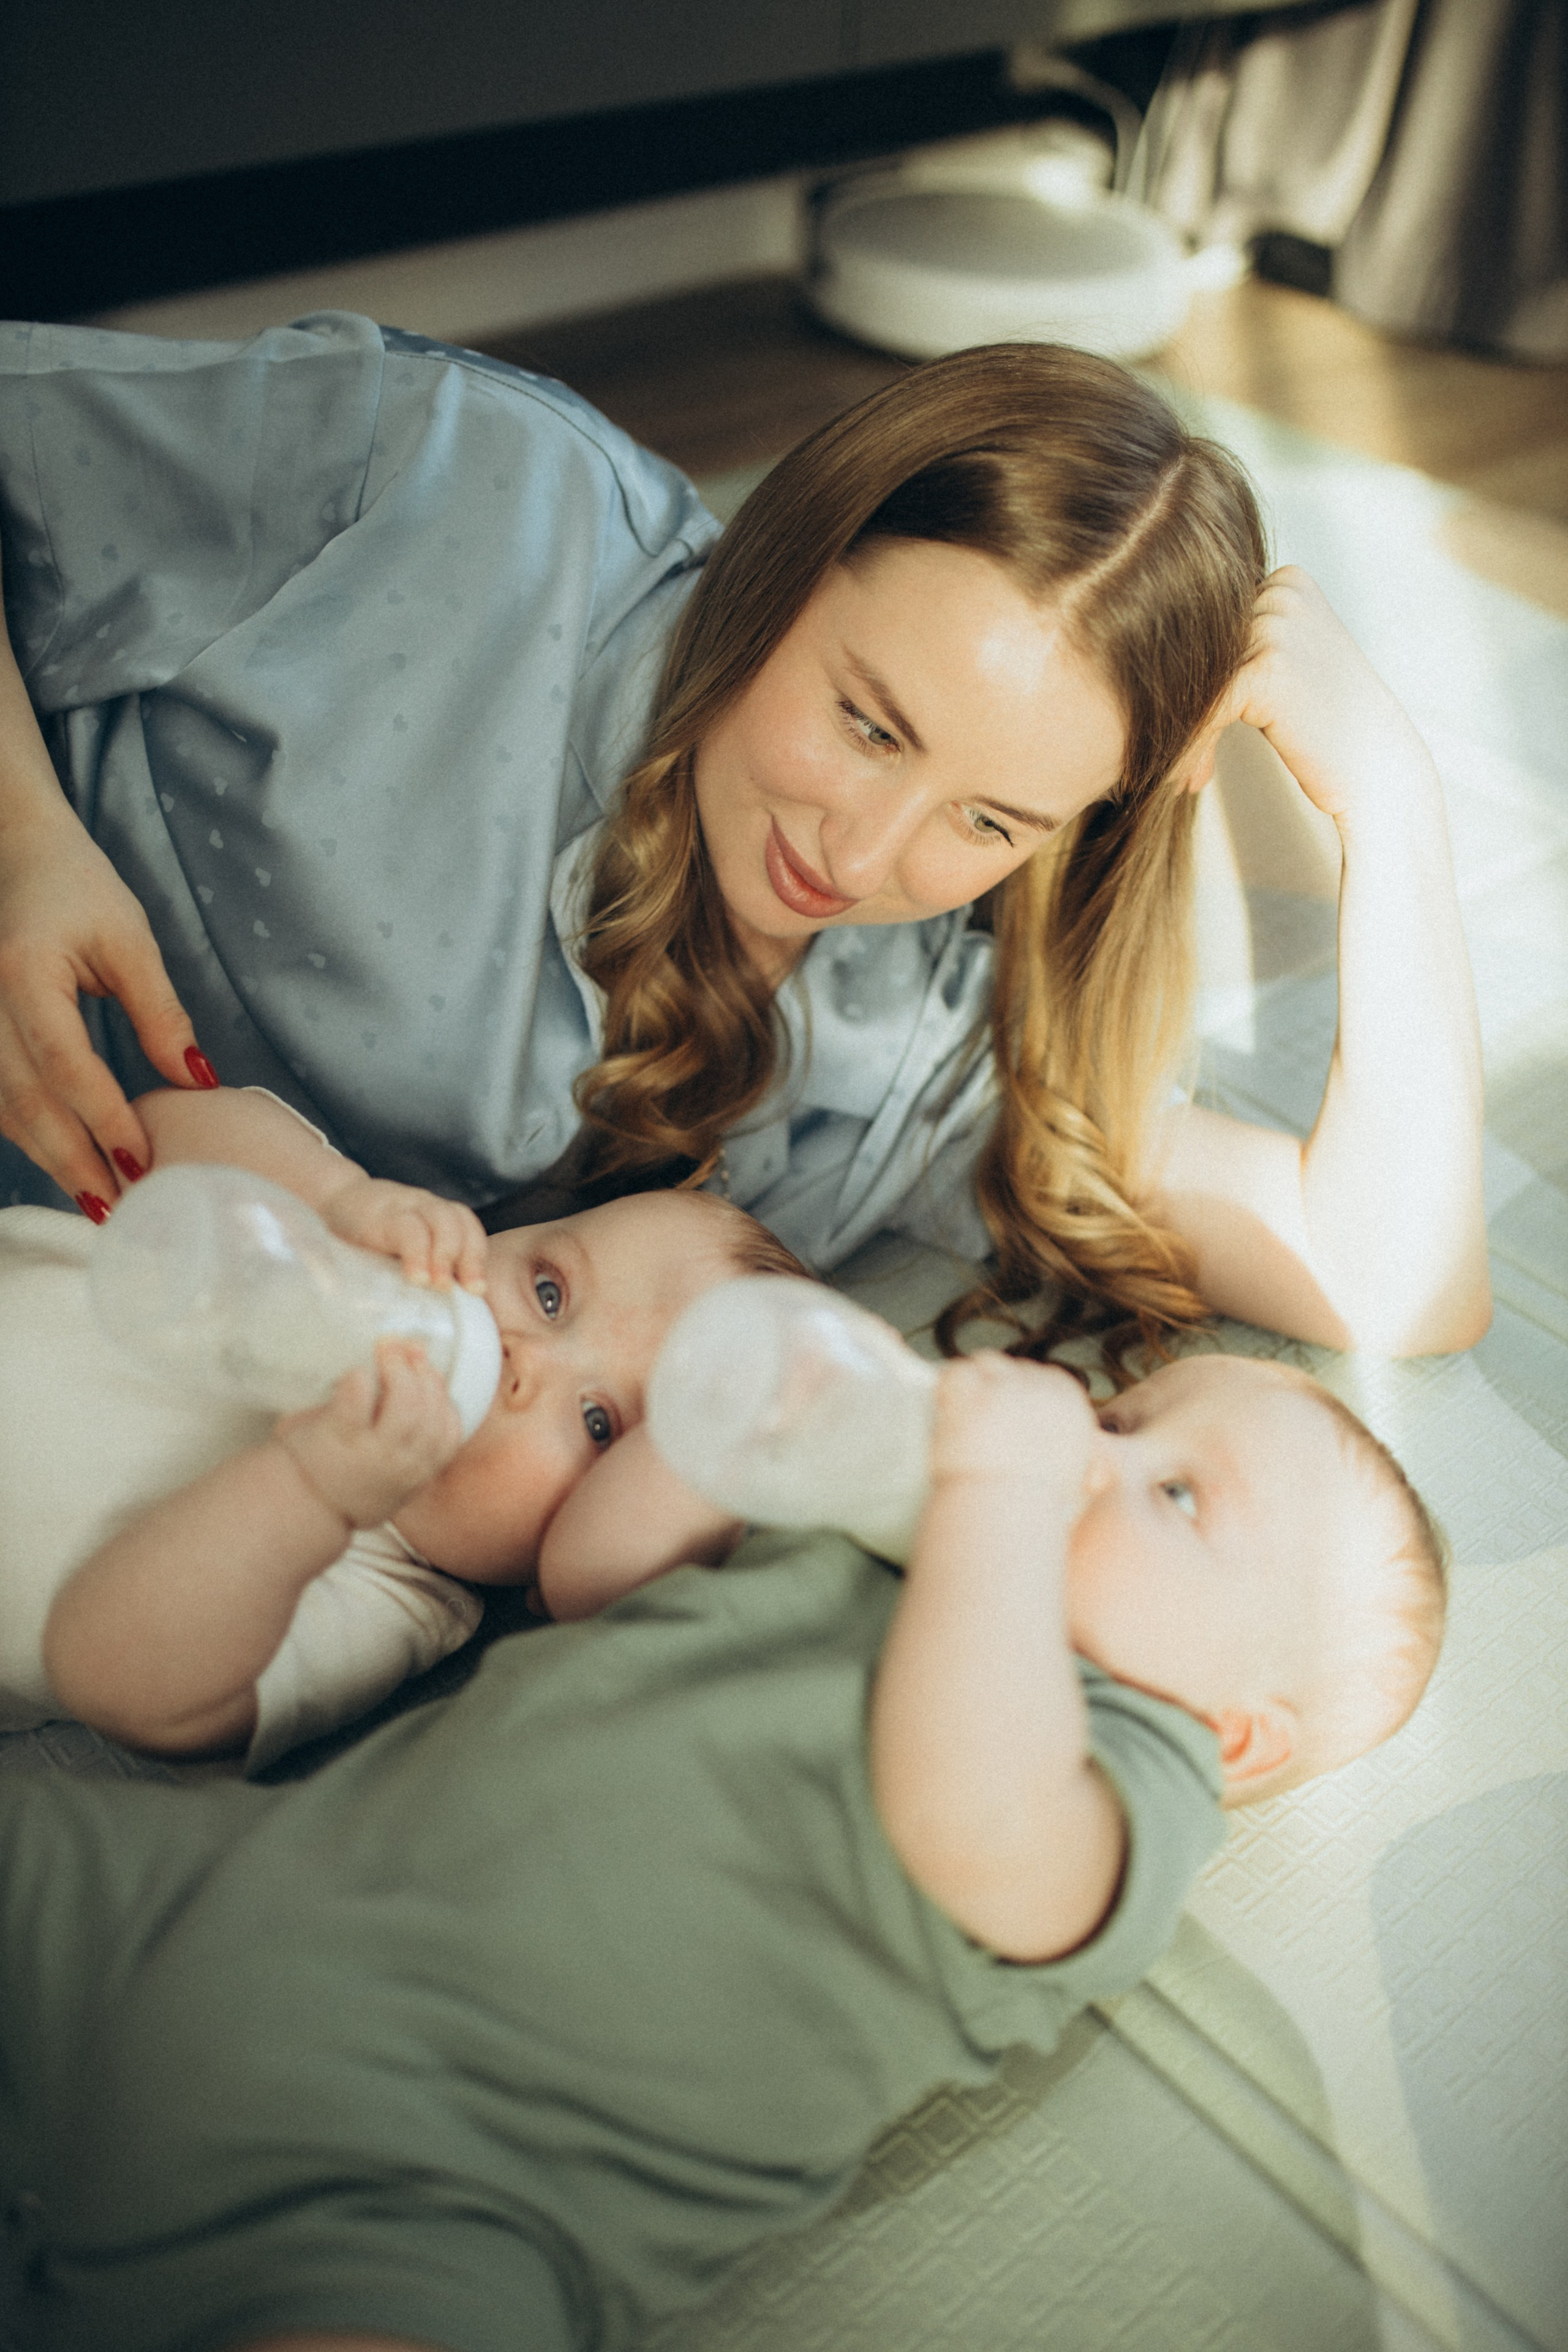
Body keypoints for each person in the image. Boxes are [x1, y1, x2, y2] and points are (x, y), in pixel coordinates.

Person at [0, 317, 1488, 1373]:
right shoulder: (457, 484)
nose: (860, 855)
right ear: (793, 550)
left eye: (990, 821)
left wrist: (1391, 805)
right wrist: (24, 842)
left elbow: (1387, 1282)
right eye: (868, 723)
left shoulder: (910, 1047)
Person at [0, 1342, 1446, 2352]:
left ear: (1236, 1735)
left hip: (440, 2192)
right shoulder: (873, 1543)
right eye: (1123, 1421)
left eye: (1176, 1496)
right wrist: (743, 1432)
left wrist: (1000, 1502)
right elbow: (595, 1579)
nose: (1091, 1453)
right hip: (189, 1903)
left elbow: (968, 1817)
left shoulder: (1125, 1780)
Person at [1, 1084, 805, 1769]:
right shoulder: (355, 1255)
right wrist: (335, 1198)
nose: (523, 1355)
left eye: (598, 1422)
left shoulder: (391, 1599)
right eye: (551, 1292)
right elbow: (142, 1137)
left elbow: (111, 1677)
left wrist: (312, 1491)